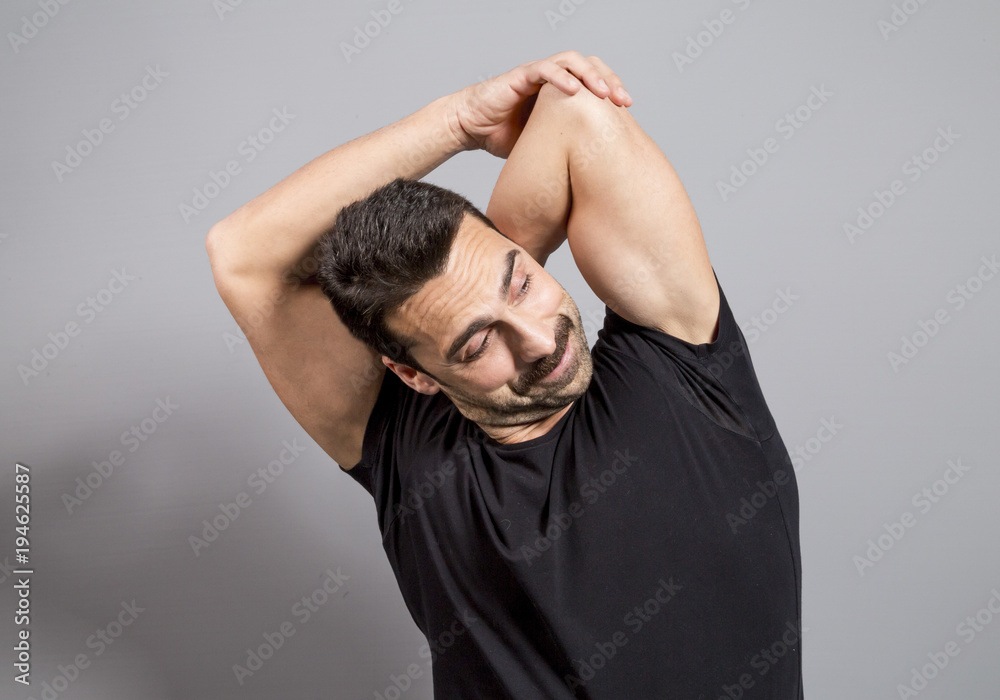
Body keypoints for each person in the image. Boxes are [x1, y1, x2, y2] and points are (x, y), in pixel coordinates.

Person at [206, 51, 803, 699]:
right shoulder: (406, 451)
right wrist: (455, 121)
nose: (541, 340)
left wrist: (490, 249)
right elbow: (241, 254)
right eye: (478, 342)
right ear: (413, 373)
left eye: (521, 284)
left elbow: (578, 113)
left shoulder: (681, 363)